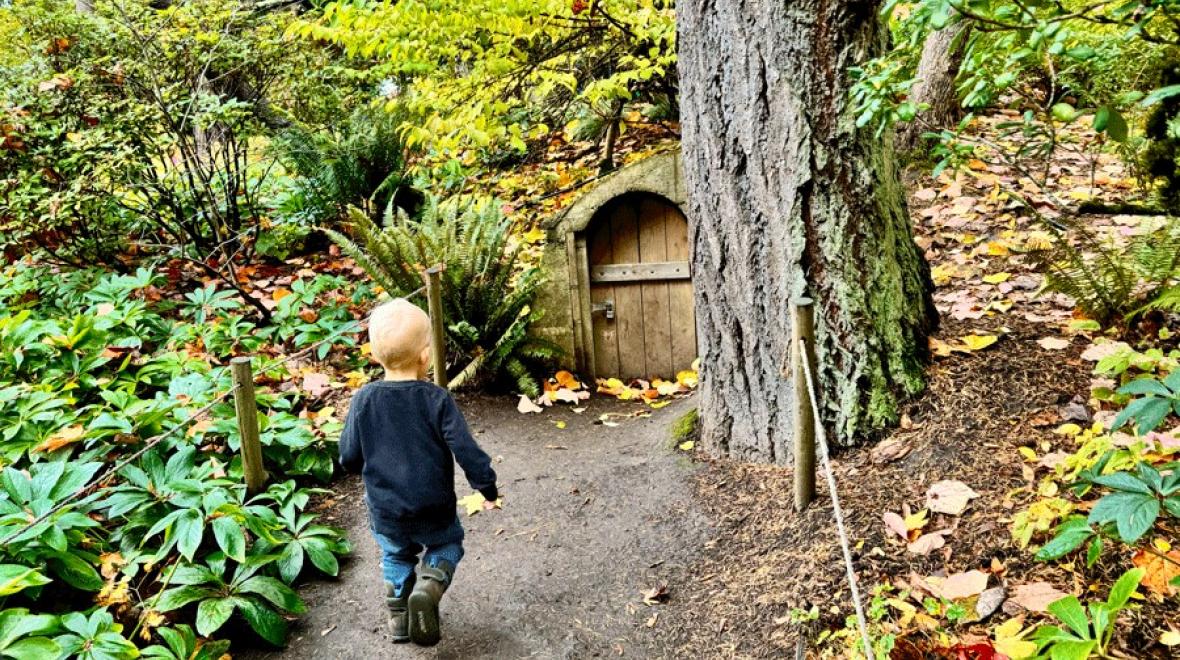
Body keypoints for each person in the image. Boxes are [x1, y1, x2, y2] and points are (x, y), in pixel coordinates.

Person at [338, 298, 499, 647]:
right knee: (447, 544)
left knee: (395, 554)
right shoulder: (436, 399)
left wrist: (366, 469)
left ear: (374, 355)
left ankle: (399, 619)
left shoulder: (364, 399)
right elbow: (466, 449)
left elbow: (348, 455)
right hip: (433, 505)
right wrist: (486, 485)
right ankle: (430, 584)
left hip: (386, 508)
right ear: (425, 356)